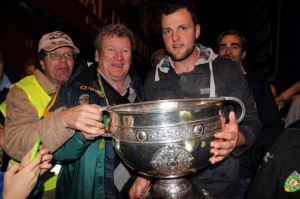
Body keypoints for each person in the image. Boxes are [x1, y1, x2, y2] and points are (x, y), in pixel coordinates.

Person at [129, 1, 261, 199]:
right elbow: (146, 137)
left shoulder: (226, 70)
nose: (175, 38)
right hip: (167, 188)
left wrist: (237, 139)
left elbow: (251, 120)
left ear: (197, 31)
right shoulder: (152, 80)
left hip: (219, 187)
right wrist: (143, 175)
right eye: (167, 31)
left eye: (183, 28)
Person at [50, 23, 145, 199]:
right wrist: (81, 138)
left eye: (125, 51)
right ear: (97, 55)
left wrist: (145, 174)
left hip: (133, 190)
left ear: (131, 57)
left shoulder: (140, 91)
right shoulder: (73, 89)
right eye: (111, 49)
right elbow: (51, 149)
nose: (119, 57)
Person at [0, 30, 91, 198]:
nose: (63, 61)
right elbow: (14, 143)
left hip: (71, 183)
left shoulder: (80, 89)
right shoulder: (22, 91)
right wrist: (63, 119)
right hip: (35, 189)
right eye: (54, 54)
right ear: (42, 61)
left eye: (68, 55)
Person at [216, 29, 285, 198]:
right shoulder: (208, 84)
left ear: (244, 53)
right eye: (223, 47)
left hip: (243, 179)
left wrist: (242, 153)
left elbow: (274, 129)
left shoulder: (258, 85)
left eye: (234, 46)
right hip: (212, 178)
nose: (228, 52)